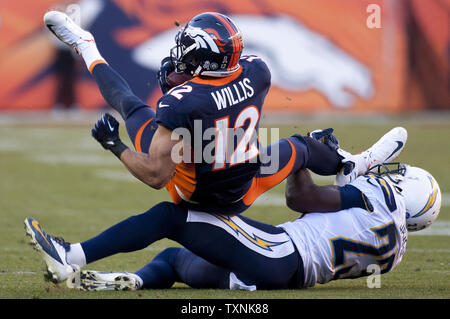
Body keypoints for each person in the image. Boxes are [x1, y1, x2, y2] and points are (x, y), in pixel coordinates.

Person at [42, 11, 407, 216]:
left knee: (128, 104)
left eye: (189, 50)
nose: (180, 54)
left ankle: (86, 46)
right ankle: (350, 165)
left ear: (206, 59)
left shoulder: (183, 100)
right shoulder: (257, 70)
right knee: (302, 146)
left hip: (197, 189)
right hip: (247, 177)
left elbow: (156, 175)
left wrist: (114, 144)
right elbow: (217, 93)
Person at [24, 163, 441, 290]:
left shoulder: (381, 198)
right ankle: (133, 280)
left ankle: (70, 257)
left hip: (278, 250)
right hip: (286, 273)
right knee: (174, 259)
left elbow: (302, 199)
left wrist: (304, 155)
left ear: (405, 189)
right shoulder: (395, 250)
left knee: (171, 217)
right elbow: (342, 218)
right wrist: (343, 166)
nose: (391, 175)